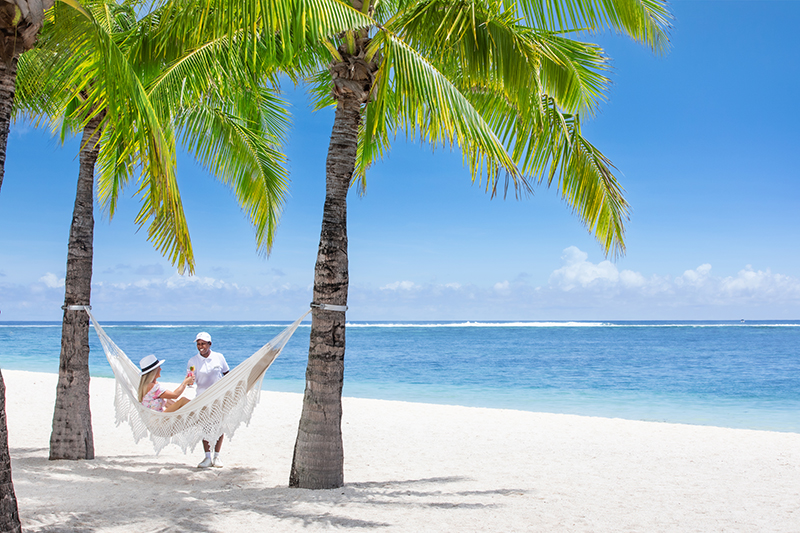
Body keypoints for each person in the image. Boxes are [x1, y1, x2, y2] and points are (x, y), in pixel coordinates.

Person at [187, 331, 230, 468]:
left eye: (203, 344)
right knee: (205, 428)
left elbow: (227, 374)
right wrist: (189, 382)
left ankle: (217, 456)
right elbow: (190, 380)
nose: (201, 346)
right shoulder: (193, 361)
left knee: (219, 427)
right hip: (202, 398)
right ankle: (207, 457)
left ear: (210, 344)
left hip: (219, 398)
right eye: (199, 344)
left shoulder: (219, 357)